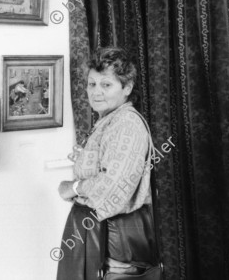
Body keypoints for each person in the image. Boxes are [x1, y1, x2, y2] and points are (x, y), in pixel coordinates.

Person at [56, 47, 157, 280]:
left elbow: (113, 189)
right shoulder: (110, 120)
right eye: (92, 84)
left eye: (106, 85)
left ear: (127, 88)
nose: (96, 92)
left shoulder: (126, 124)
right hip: (94, 229)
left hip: (112, 235)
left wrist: (73, 187)